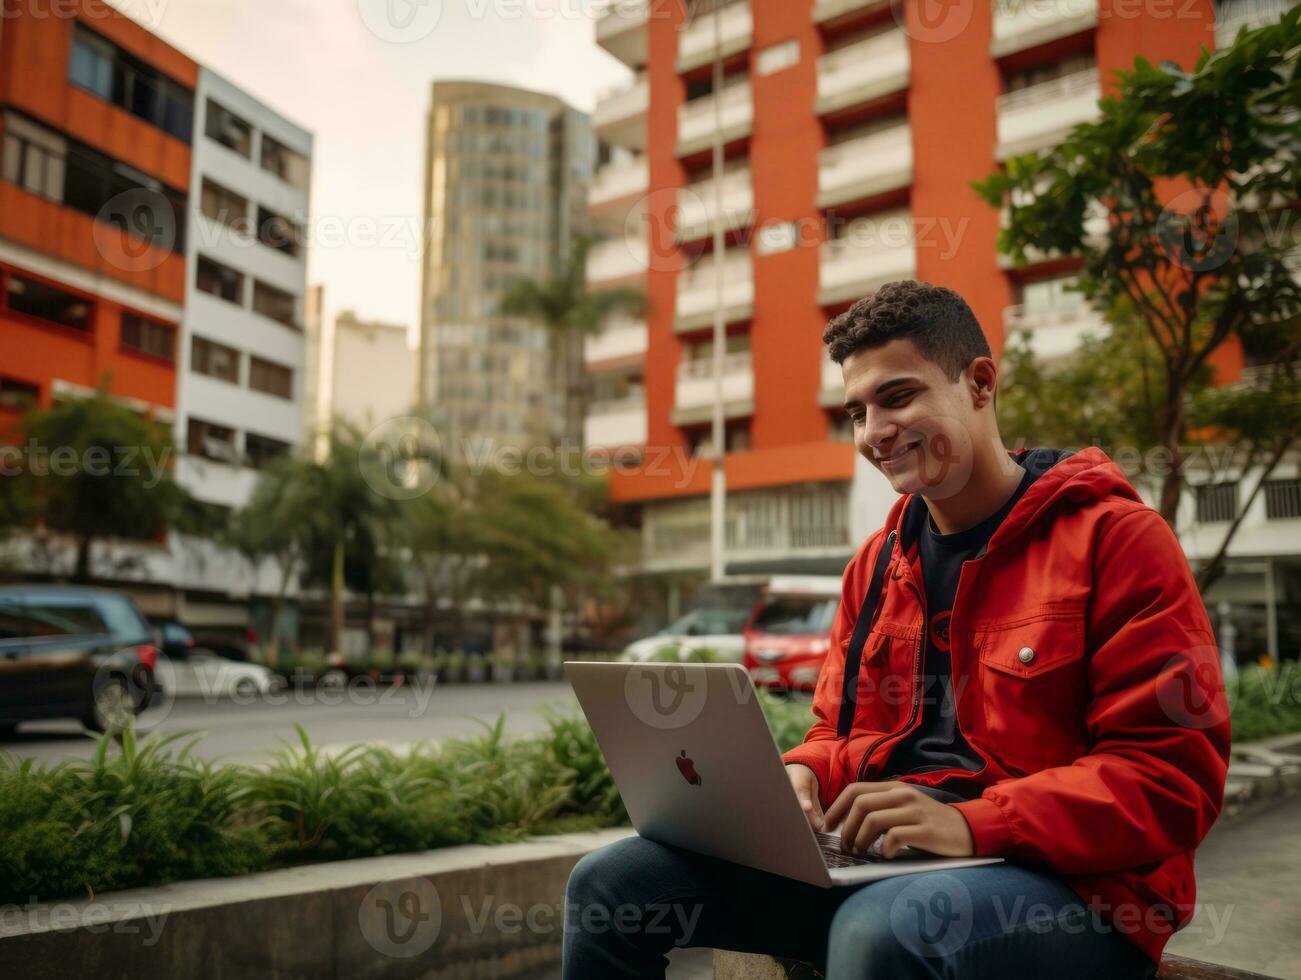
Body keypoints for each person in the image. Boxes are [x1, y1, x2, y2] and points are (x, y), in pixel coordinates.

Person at [562, 280, 1230, 979]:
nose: (872, 431)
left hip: (1078, 892)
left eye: (898, 397)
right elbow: (836, 733)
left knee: (882, 933)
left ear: (978, 384)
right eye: (855, 410)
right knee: (612, 886)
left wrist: (973, 822)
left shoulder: (1115, 540)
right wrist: (801, 775)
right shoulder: (874, 567)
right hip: (884, 868)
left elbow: (1170, 778)